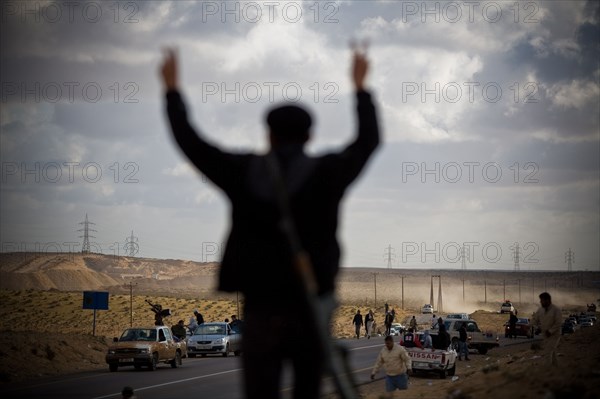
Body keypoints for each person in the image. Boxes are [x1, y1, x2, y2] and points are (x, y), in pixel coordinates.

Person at [160, 47, 379, 399]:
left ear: (269, 134)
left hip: (261, 309)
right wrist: (360, 87)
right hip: (309, 308)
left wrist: (171, 91)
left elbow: (192, 143)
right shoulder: (327, 173)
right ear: (310, 136)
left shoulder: (244, 171)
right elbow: (368, 141)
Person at [532, 292, 563, 365]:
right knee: (553, 353)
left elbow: (558, 323)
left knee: (548, 352)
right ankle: (556, 369)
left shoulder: (556, 310)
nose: (540, 302)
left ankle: (547, 370)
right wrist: (532, 326)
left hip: (554, 335)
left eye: (542, 300)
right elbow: (535, 319)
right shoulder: (540, 310)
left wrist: (550, 331)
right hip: (545, 335)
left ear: (547, 300)